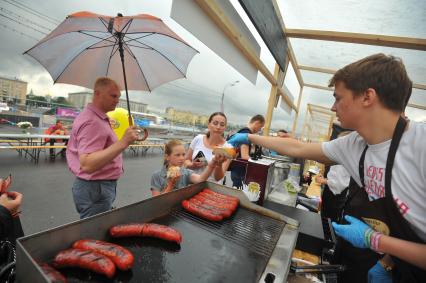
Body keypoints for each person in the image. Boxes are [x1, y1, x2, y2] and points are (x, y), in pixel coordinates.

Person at [227, 54, 426, 282]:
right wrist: (250, 137)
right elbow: (298, 148)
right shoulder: (354, 145)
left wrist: (375, 241)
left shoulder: (420, 145)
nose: (333, 107)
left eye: (338, 98)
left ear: (367, 97)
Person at [66, 77, 139, 219]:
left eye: (118, 97)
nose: (117, 100)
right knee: (93, 233)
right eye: (113, 96)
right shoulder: (92, 121)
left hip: (96, 187)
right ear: (97, 93)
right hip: (95, 188)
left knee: (93, 229)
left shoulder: (97, 118)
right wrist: (123, 142)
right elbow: (87, 164)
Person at [151, 140, 226, 196]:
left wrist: (213, 162)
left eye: (183, 155)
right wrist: (170, 185)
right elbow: (157, 202)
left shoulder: (186, 172)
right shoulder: (156, 176)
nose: (182, 158)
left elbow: (201, 179)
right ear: (167, 157)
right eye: (177, 155)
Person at [184, 112, 232, 183]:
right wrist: (192, 165)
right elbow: (185, 160)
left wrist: (218, 165)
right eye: (215, 123)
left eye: (222, 125)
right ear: (209, 125)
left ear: (225, 128)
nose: (218, 127)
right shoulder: (198, 139)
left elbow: (218, 178)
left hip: (211, 187)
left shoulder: (228, 148)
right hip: (192, 182)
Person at [228, 114, 265, 188]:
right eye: (260, 127)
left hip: (236, 169)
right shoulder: (246, 134)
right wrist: (260, 163)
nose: (260, 130)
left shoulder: (242, 131)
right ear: (256, 123)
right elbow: (245, 156)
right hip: (239, 171)